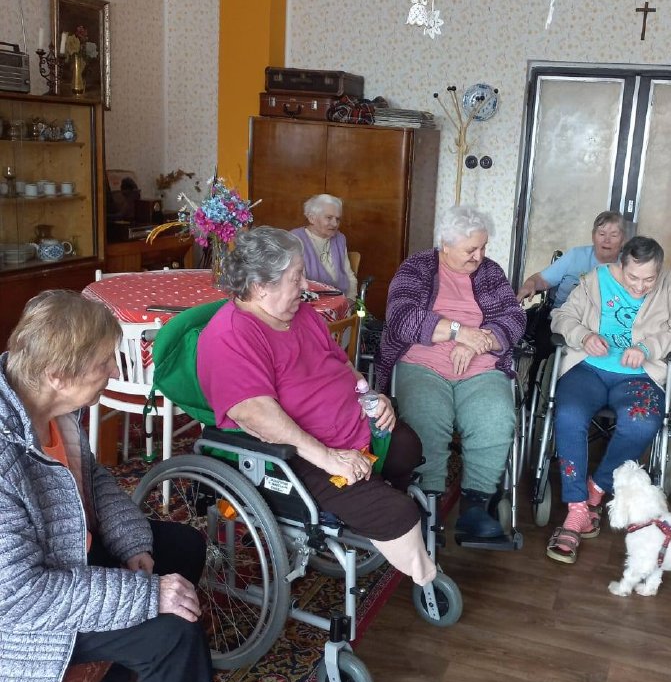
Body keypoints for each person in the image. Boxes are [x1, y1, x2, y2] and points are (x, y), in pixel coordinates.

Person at [0, 291, 267, 682]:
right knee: (171, 629)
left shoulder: (49, 404)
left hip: (65, 561)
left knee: (181, 548)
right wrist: (147, 595)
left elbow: (91, 479)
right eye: (103, 363)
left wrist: (131, 543)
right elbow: (21, 596)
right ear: (57, 373)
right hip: (24, 621)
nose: (113, 373)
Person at [197, 226, 436, 586]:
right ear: (261, 287)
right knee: (397, 512)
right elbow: (256, 415)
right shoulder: (231, 336)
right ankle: (423, 574)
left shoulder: (302, 315)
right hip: (297, 455)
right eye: (296, 278)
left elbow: (342, 365)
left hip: (352, 431)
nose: (305, 285)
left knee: (407, 446)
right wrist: (328, 457)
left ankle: (369, 500)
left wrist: (371, 398)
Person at [376, 205, 526, 544]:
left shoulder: (490, 272)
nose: (479, 256)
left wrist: (479, 342)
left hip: (481, 365)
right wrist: (460, 332)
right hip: (423, 363)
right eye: (471, 249)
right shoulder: (416, 268)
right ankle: (427, 502)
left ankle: (475, 506)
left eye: (483, 247)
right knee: (426, 418)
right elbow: (401, 317)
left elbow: (514, 317)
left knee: (495, 416)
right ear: (445, 244)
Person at [546, 236, 671, 564]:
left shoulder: (670, 285)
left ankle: (597, 489)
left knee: (642, 422)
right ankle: (577, 510)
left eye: (649, 279)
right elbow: (561, 316)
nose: (640, 286)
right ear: (621, 264)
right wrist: (584, 335)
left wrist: (647, 347)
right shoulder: (595, 280)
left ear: (659, 271)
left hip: (640, 375)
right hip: (588, 368)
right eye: (632, 277)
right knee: (568, 415)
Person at [517, 211, 626, 307]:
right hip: (562, 316)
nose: (607, 240)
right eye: (602, 234)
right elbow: (542, 279)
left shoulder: (628, 265)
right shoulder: (575, 255)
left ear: (622, 240)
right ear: (593, 236)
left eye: (614, 235)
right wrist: (530, 283)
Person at [289, 192, 358, 300]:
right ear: (311, 218)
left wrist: (351, 300)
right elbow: (296, 284)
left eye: (337, 219)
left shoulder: (340, 238)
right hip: (311, 302)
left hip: (341, 300)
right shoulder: (295, 240)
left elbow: (349, 275)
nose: (335, 224)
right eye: (329, 218)